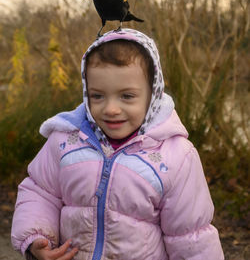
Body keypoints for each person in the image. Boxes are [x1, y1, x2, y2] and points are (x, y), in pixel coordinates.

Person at [11, 28, 224, 260]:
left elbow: (190, 236)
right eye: (98, 96)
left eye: (127, 96)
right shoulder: (65, 141)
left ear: (153, 95)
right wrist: (36, 239)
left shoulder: (175, 157)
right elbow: (40, 192)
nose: (111, 109)